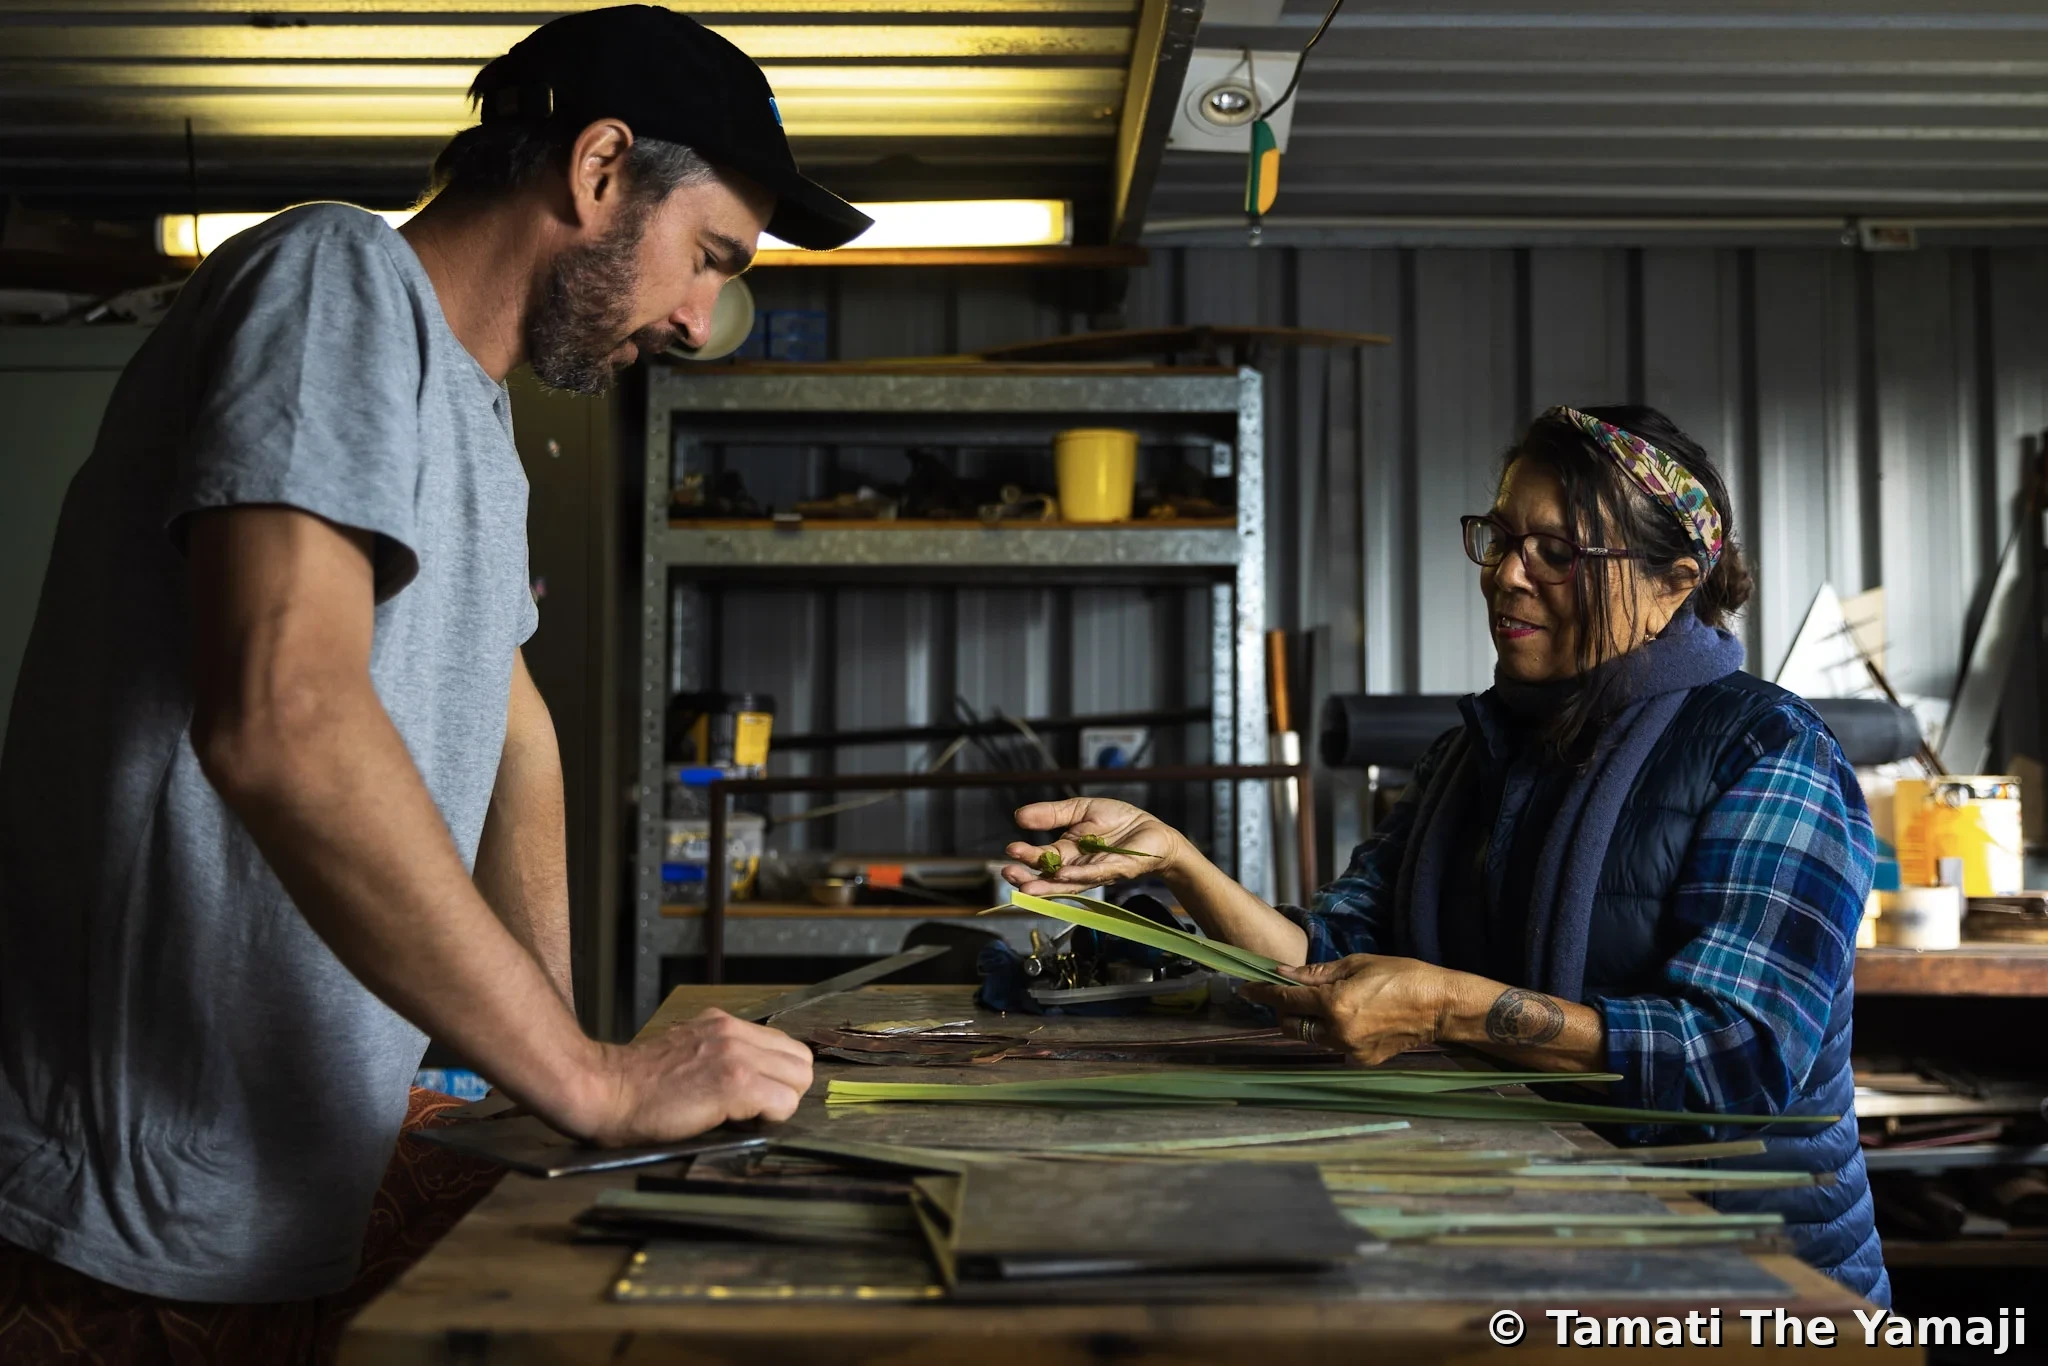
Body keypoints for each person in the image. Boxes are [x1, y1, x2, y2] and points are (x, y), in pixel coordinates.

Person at [0, 7, 868, 1357]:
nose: (702, 319)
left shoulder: (478, 413)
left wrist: (559, 1071)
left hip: (289, 1184)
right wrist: (591, 1075)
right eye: (707, 260)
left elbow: (510, 722)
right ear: (596, 170)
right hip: (134, 1228)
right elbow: (283, 719)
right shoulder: (333, 280)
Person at [1002, 404, 1888, 1305]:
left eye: (1559, 553)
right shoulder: (1473, 755)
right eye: (1500, 539)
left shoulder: (1768, 750)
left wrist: (1448, 1009)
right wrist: (1180, 866)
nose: (1507, 576)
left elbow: (1736, 1058)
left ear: (1674, 584)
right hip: (1532, 1254)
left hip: (1744, 1287)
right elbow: (1325, 960)